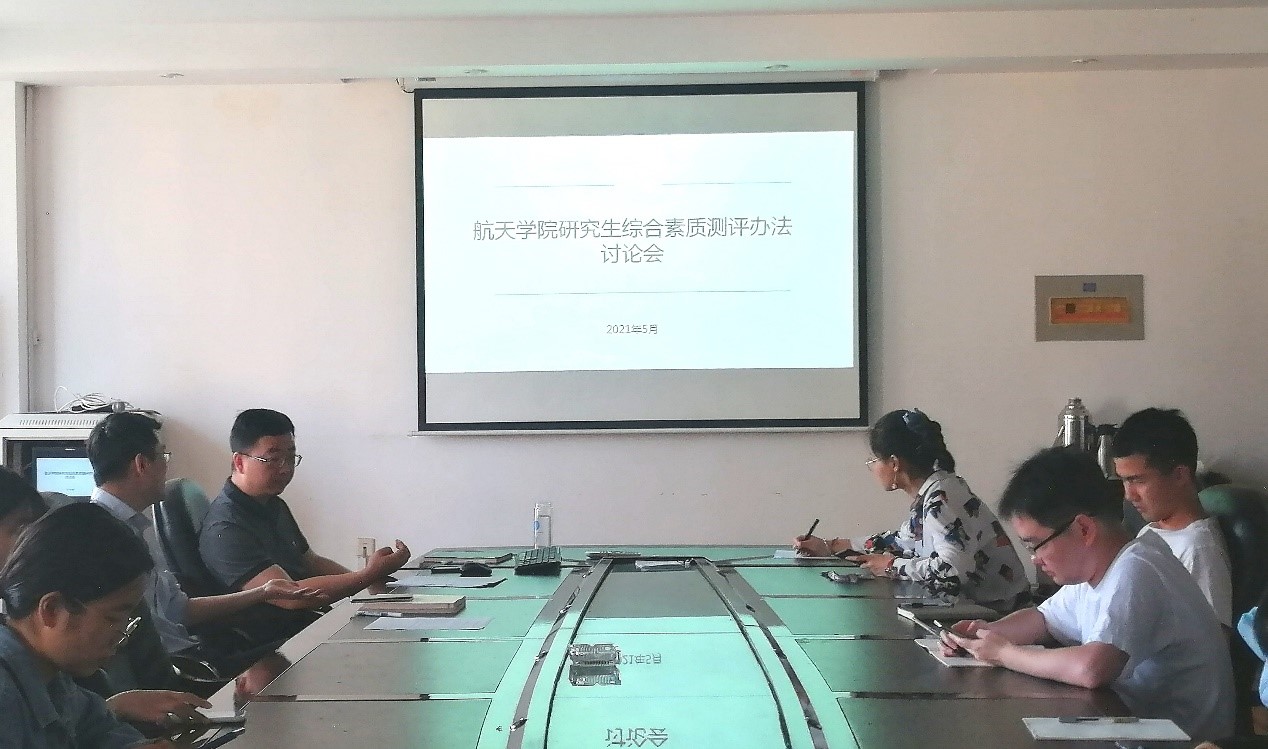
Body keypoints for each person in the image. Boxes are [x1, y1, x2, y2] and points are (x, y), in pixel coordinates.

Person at [942, 447, 1233, 742]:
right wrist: (984, 634)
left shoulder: (1138, 569)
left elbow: (1092, 669)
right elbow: (1043, 619)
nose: (1034, 559)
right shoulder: (1095, 571)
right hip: (1133, 725)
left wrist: (1004, 653)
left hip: (1186, 742)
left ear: (1083, 528)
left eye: (1035, 545)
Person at [86, 412, 323, 665]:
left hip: (193, 654)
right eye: (163, 456)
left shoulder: (132, 527)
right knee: (304, 657)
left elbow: (181, 610)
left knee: (310, 648)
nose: (167, 467)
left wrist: (262, 592)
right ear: (142, 464)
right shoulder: (99, 537)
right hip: (170, 670)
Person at [0, 466, 214, 732]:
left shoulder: (51, 671)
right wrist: (115, 708)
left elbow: (87, 720)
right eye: (20, 528)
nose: (30, 541)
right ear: (51, 610)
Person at [199, 409, 410, 640]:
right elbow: (290, 597)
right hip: (273, 641)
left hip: (307, 624)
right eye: (273, 459)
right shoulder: (226, 528)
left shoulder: (272, 504)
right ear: (239, 462)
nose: (285, 468)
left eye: (291, 457)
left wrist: (369, 581)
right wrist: (367, 576)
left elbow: (310, 562)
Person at [795, 408, 1028, 610]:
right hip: (977, 611)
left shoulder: (941, 499)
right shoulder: (936, 491)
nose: (872, 468)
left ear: (894, 463)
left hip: (998, 616)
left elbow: (953, 571)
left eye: (874, 460)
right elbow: (899, 542)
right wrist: (829, 546)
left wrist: (890, 566)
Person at [0, 501, 176, 748]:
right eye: (112, 618)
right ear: (52, 610)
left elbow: (102, 730)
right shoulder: (6, 694)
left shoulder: (54, 679)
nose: (122, 638)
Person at [1112, 407, 1232, 627]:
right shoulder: (1152, 530)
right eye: (1124, 481)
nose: (1129, 495)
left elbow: (1214, 640)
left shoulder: (1198, 549)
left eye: (1138, 480)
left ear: (1179, 475)